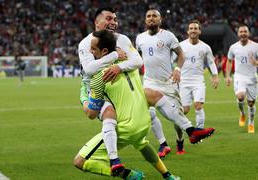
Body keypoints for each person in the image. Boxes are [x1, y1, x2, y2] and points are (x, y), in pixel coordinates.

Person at [74, 29, 180, 180]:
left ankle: (127, 173)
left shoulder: (98, 77)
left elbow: (91, 113)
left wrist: (84, 97)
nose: (90, 51)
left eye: (93, 49)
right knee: (142, 143)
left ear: (104, 51)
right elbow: (138, 61)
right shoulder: (130, 61)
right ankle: (168, 176)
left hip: (125, 129)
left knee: (79, 161)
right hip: (144, 123)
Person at [136, 9, 215, 157]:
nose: (151, 18)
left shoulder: (168, 36)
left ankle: (181, 140)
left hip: (168, 82)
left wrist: (178, 69)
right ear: (145, 20)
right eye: (148, 16)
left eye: (154, 16)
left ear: (160, 20)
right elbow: (138, 58)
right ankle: (164, 144)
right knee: (150, 114)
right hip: (149, 82)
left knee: (177, 114)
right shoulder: (139, 38)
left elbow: (181, 54)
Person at [77, 7, 143, 173]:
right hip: (93, 87)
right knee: (98, 113)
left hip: (114, 86)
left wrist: (119, 68)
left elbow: (138, 61)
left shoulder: (123, 39)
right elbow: (90, 69)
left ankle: (116, 161)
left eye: (115, 19)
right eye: (108, 18)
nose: (113, 22)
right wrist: (114, 56)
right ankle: (84, 100)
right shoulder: (85, 43)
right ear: (96, 22)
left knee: (130, 111)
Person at [179, 20, 219, 131]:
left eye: (195, 28)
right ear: (187, 31)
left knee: (198, 105)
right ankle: (185, 128)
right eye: (191, 28)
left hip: (198, 81)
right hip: (184, 81)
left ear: (199, 31)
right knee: (185, 109)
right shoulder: (181, 46)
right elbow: (172, 60)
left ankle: (199, 130)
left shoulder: (205, 47)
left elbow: (211, 62)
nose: (193, 30)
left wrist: (215, 75)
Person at [225, 25, 258, 133]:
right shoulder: (233, 47)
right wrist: (228, 76)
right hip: (239, 76)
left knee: (251, 103)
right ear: (238, 34)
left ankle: (251, 122)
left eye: (245, 31)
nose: (243, 33)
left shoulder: (256, 46)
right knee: (240, 96)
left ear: (248, 34)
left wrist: (257, 63)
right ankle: (242, 114)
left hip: (252, 77)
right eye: (241, 31)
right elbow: (229, 61)